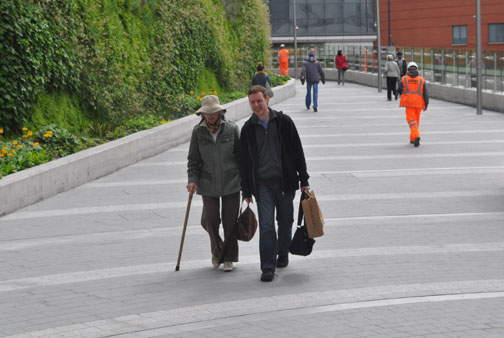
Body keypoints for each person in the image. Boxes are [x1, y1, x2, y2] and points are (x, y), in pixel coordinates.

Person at [239, 85, 310, 282]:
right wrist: (246, 190)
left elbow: (297, 150)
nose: (256, 105)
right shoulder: (247, 129)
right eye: (252, 102)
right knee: (267, 225)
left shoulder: (284, 122)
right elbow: (244, 162)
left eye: (259, 101)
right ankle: (267, 267)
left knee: (285, 222)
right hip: (263, 186)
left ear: (268, 99)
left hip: (285, 183)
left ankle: (283, 253)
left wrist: (304, 179)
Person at [187, 95, 241, 272]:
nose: (210, 116)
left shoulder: (232, 129)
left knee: (230, 222)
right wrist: (192, 180)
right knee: (211, 221)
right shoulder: (198, 132)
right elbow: (193, 160)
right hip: (207, 184)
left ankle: (229, 258)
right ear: (202, 114)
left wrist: (246, 183)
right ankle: (218, 252)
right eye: (207, 113)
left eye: (213, 112)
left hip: (231, 183)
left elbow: (242, 158)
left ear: (219, 111)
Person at [398, 62, 429, 147]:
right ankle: (412, 139)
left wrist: (400, 94)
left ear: (407, 70)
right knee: (416, 122)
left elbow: (399, 89)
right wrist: (426, 104)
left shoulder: (404, 78)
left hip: (409, 103)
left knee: (411, 121)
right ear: (417, 69)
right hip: (419, 104)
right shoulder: (422, 79)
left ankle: (417, 135)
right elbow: (426, 93)